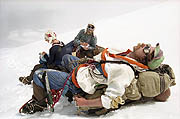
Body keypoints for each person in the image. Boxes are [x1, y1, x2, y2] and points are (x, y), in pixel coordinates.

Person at [19, 43, 176, 115]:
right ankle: (56, 79)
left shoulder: (125, 71)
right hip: (86, 68)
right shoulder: (125, 54)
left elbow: (110, 99)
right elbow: (106, 55)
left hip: (79, 82)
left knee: (40, 75)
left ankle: (39, 104)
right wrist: (89, 50)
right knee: (67, 58)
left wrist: (85, 103)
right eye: (149, 45)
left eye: (147, 50)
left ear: (144, 60)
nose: (145, 45)